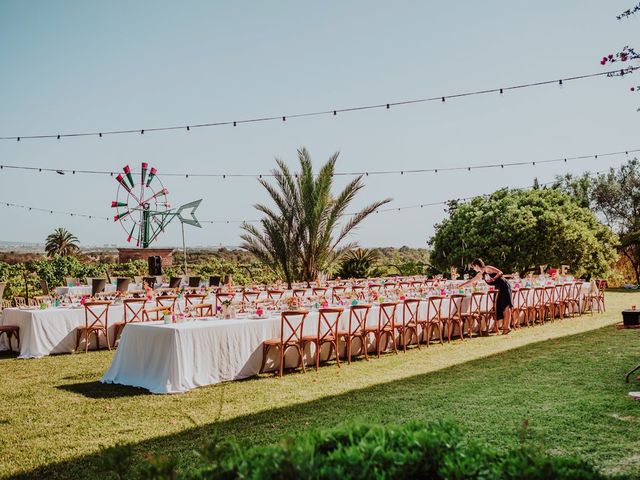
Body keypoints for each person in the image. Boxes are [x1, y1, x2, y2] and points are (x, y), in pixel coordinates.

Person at [460, 258, 514, 334]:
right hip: (498, 288)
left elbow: (500, 272)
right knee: (499, 306)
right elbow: (471, 281)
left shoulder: (487, 268)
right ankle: (500, 327)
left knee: (506, 305)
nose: (474, 269)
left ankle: (507, 327)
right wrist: (460, 286)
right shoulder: (481, 274)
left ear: (476, 265)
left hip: (504, 285)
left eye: (474, 267)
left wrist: (493, 279)